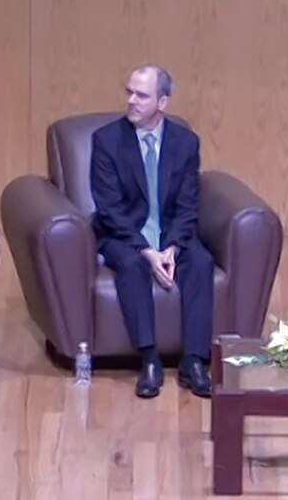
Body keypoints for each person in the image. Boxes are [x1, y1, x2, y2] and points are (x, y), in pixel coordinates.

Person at [90, 64, 213, 399]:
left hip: (171, 233)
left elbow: (188, 205)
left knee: (200, 263)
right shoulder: (107, 140)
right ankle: (149, 359)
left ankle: (194, 361)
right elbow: (109, 208)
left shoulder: (186, 143)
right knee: (131, 266)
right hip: (125, 234)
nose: (131, 100)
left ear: (162, 102)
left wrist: (171, 248)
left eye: (141, 95)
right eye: (129, 92)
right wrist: (147, 250)